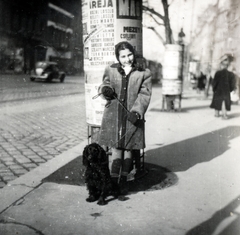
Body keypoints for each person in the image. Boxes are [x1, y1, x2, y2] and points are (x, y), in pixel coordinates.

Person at [97, 41, 152, 194]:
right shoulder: (110, 69)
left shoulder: (143, 72)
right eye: (123, 56)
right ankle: (113, 183)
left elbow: (145, 94)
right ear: (118, 57)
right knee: (116, 148)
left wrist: (137, 111)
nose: (127, 59)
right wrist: (105, 90)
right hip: (114, 115)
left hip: (132, 117)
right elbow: (103, 85)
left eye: (129, 55)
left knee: (128, 147)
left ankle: (124, 181)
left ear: (133, 54)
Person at [210, 54, 235, 119]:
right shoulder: (231, 74)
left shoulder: (218, 73)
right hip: (226, 90)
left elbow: (214, 82)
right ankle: (224, 115)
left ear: (221, 65)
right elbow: (233, 84)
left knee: (217, 101)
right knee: (224, 102)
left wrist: (214, 88)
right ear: (227, 66)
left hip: (218, 90)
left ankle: (216, 113)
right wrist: (230, 89)